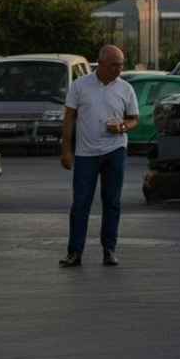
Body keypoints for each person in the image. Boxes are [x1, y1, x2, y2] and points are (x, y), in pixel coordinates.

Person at [59, 45, 139, 268]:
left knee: (112, 202)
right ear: (101, 64)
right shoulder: (80, 86)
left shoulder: (125, 88)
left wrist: (123, 126)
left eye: (121, 64)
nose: (119, 69)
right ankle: (75, 252)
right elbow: (69, 118)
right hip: (86, 154)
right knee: (81, 203)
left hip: (115, 151)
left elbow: (134, 119)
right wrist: (66, 150)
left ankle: (109, 250)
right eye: (114, 65)